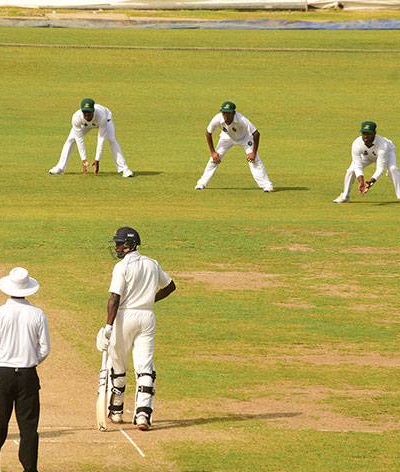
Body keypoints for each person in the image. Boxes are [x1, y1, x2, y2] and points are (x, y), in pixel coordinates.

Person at [96, 227, 176, 431]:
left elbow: (114, 297)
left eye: (119, 244)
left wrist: (108, 326)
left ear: (130, 244)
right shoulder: (152, 263)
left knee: (118, 363)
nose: (117, 248)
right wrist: (150, 300)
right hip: (147, 317)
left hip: (125, 316)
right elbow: (170, 286)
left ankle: (116, 410)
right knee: (145, 364)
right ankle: (143, 414)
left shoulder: (122, 267)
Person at [0, 267, 50, 472]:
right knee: (28, 428)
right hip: (28, 375)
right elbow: (44, 348)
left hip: (3, 373)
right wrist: (30, 361)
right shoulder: (37, 314)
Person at [195, 101, 274, 192]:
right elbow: (208, 133)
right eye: (224, 113)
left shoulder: (241, 119)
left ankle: (267, 185)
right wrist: (213, 152)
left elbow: (256, 134)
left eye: (228, 113)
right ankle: (201, 183)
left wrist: (253, 152)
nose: (226, 116)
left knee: (254, 160)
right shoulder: (217, 118)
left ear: (234, 113)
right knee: (214, 159)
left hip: (245, 138)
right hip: (226, 138)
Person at [333, 121, 400, 206]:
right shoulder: (357, 143)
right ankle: (345, 196)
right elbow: (357, 164)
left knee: (393, 169)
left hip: (387, 152)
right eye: (363, 133)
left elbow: (380, 168)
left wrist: (370, 182)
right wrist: (361, 181)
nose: (365, 136)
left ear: (374, 133)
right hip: (368, 155)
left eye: (368, 133)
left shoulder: (383, 145)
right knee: (351, 170)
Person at [49, 98, 133, 177]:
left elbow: (101, 138)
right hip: (84, 124)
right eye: (84, 112)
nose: (87, 114)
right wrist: (84, 160)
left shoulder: (101, 116)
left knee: (111, 139)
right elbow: (79, 139)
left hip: (105, 120)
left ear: (93, 110)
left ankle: (124, 169)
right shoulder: (76, 117)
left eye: (89, 112)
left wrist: (97, 159)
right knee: (71, 139)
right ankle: (60, 168)